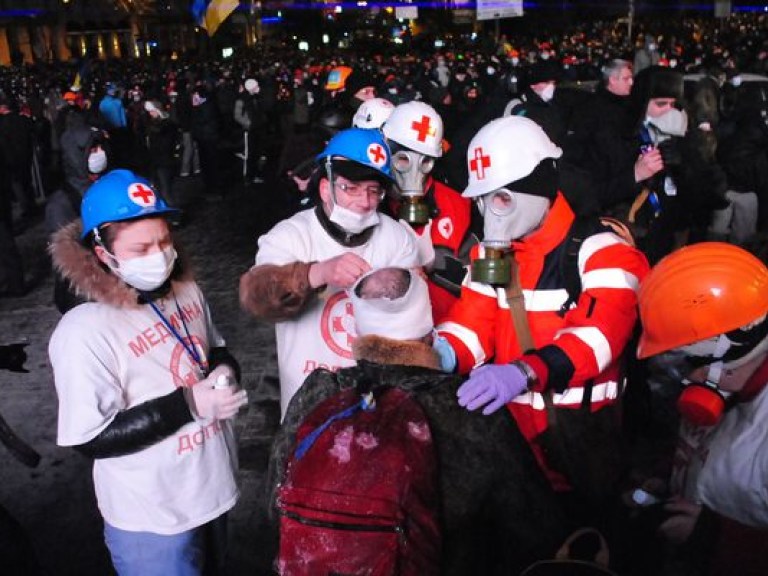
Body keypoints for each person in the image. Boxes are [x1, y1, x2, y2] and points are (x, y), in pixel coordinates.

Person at [269, 267, 567, 575]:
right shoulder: (468, 406)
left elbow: (274, 502)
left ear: (360, 334)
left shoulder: (318, 394)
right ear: (430, 333)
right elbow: (536, 529)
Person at [435, 116, 649, 522]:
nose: (490, 216)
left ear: (539, 190)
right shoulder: (490, 257)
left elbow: (597, 340)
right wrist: (439, 354)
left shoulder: (603, 253)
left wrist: (524, 371)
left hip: (580, 447)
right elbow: (471, 325)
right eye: (482, 201)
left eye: (502, 199)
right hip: (509, 447)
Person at [48, 169, 248, 575]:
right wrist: (189, 403)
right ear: (103, 252)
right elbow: (90, 437)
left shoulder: (185, 288)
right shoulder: (83, 330)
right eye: (141, 248)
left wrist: (225, 371)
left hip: (210, 489)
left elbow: (215, 347)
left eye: (164, 241)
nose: (159, 255)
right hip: (151, 518)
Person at [239, 128, 419, 417]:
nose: (364, 201)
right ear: (325, 188)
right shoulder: (290, 235)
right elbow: (257, 297)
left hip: (376, 403)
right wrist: (317, 273)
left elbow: (412, 323)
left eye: (374, 191)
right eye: (351, 188)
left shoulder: (397, 237)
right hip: (307, 405)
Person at [635, 242, 768, 575]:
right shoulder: (724, 389)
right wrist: (669, 474)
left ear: (735, 354)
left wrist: (710, 536)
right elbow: (712, 450)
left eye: (686, 363)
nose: (685, 378)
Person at [381, 100, 478, 323]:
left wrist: (438, 263)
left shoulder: (456, 203)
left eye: (424, 161)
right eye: (403, 159)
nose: (414, 170)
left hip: (445, 326)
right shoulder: (368, 199)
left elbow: (481, 276)